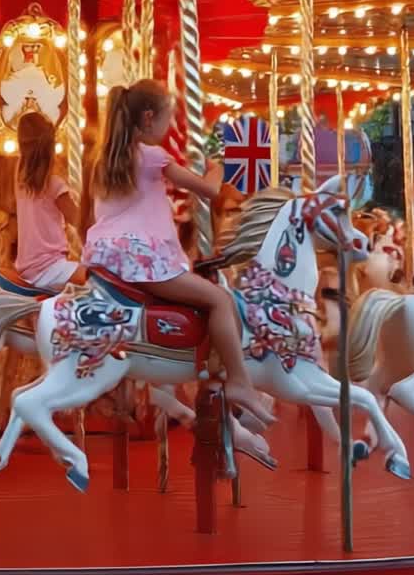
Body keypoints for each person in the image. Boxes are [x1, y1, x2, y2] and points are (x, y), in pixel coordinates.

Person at [82, 80, 273, 427]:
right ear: (149, 118)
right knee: (219, 300)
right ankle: (240, 381)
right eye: (167, 119)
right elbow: (210, 191)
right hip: (145, 260)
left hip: (108, 258)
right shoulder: (152, 156)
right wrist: (216, 166)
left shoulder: (106, 158)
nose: (168, 128)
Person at [14, 112, 82, 290]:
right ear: (52, 147)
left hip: (27, 268)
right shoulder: (55, 185)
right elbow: (79, 223)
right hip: (51, 269)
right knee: (100, 281)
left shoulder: (20, 179)